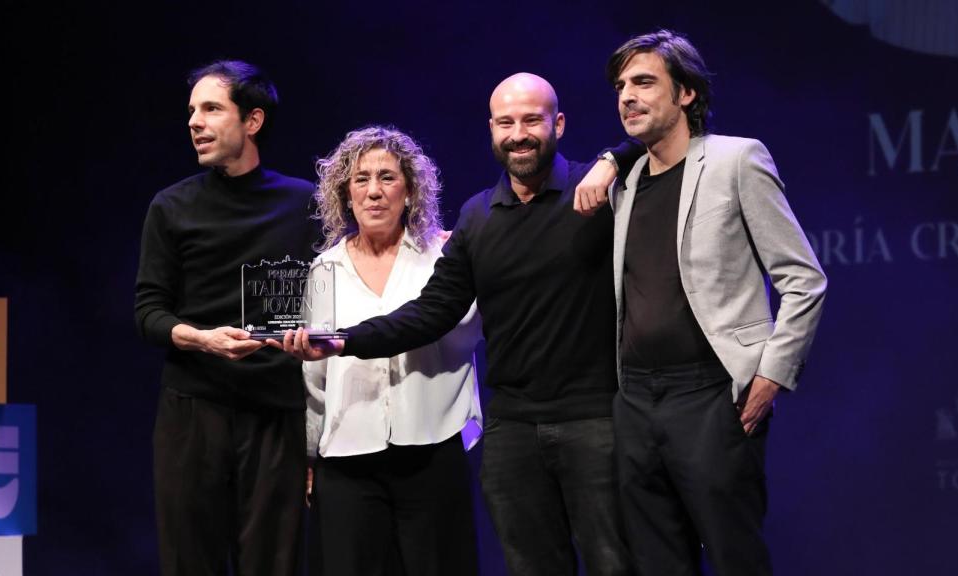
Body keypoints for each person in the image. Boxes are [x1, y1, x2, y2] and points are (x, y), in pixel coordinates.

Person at [280, 73, 643, 576]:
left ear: (558, 123)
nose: (519, 133)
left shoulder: (596, 194)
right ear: (491, 130)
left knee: (616, 562)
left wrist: (613, 158)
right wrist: (342, 343)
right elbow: (429, 315)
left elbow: (659, 149)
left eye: (532, 120)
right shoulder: (477, 218)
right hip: (507, 430)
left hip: (588, 420)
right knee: (533, 565)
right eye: (506, 122)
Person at [575, 30, 827, 576]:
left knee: (735, 555)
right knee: (657, 560)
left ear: (686, 93)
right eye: (621, 86)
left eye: (644, 82)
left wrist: (770, 376)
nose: (627, 96)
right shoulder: (625, 180)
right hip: (636, 400)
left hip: (713, 393)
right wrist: (609, 160)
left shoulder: (738, 160)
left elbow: (804, 279)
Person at [134, 60, 316, 576]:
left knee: (273, 563)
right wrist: (202, 340)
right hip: (194, 408)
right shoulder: (172, 207)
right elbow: (148, 312)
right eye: (192, 110)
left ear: (252, 121)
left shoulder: (304, 204)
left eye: (211, 108)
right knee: (190, 560)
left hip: (276, 411)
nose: (194, 121)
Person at [298, 125, 482, 576]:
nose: (374, 191)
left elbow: (465, 339)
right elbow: (314, 380)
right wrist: (308, 454)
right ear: (345, 193)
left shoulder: (443, 257)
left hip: (430, 444)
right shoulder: (325, 268)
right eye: (361, 179)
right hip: (348, 452)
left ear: (411, 190)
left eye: (387, 177)